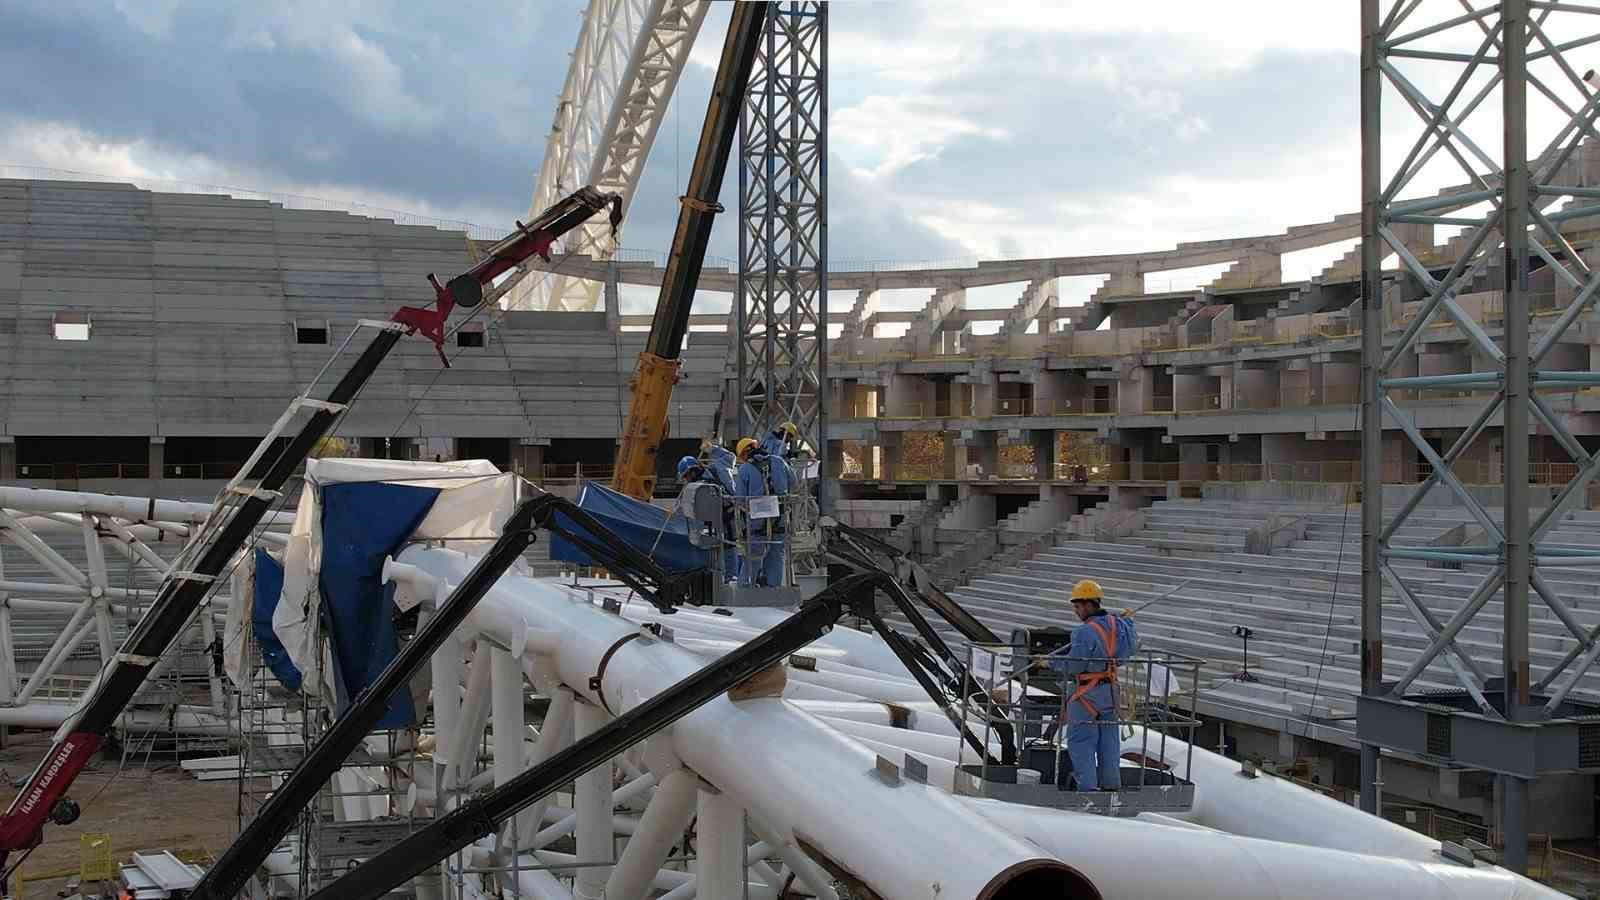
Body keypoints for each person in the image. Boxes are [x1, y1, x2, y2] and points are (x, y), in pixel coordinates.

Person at [1052, 579, 1138, 791]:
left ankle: (1088, 791)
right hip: (1110, 691)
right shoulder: (1119, 625)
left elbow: (1073, 665)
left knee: (1082, 742)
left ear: (1089, 605)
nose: (1076, 611)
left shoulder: (1083, 632)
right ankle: (1111, 786)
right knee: (1109, 742)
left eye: (1077, 606)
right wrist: (1128, 623)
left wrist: (1050, 662)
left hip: (1086, 694)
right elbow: (1127, 653)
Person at [735, 436, 792, 587]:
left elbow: (740, 499)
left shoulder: (745, 469)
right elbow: (793, 483)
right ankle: (773, 591)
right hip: (780, 518)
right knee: (776, 556)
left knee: (753, 557)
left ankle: (745, 591)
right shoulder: (779, 462)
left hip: (757, 521)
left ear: (744, 454)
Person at [677, 454, 738, 581]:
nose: (688, 479)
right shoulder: (699, 484)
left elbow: (730, 458)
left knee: (729, 545)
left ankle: (731, 576)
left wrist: (713, 449)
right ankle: (722, 575)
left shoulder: (712, 476)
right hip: (713, 519)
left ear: (693, 471)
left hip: (726, 515)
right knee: (717, 547)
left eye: (688, 476)